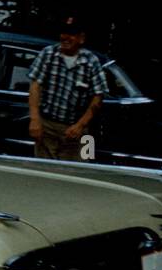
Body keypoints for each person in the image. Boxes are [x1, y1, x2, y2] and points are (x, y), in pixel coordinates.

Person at [27, 15, 109, 161]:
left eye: (71, 34)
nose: (65, 37)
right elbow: (35, 86)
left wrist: (80, 125)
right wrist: (34, 119)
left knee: (82, 173)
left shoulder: (92, 61)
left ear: (81, 38)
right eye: (63, 33)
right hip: (47, 127)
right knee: (43, 172)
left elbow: (98, 98)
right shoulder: (48, 54)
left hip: (79, 131)